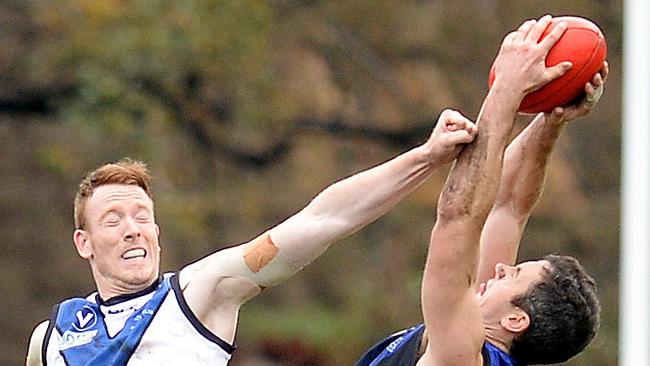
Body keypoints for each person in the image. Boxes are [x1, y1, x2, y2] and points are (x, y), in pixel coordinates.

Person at [25, 84, 479, 363]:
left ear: (157, 231)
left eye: (142, 216)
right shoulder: (53, 337)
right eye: (113, 220)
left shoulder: (198, 293)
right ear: (83, 243)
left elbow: (323, 220)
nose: (132, 228)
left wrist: (426, 157)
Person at [355, 15, 607, 366]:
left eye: (515, 275)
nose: (503, 268)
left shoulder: (459, 354)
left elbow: (459, 216)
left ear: (515, 320)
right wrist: (553, 116)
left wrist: (507, 88)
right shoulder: (484, 343)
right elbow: (509, 205)